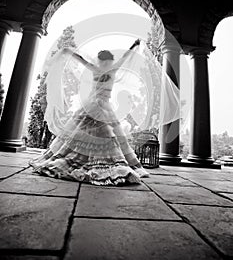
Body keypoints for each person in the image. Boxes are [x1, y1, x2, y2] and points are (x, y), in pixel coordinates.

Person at [29, 38, 150, 185]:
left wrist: (133, 46)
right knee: (101, 135)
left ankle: (92, 159)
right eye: (104, 61)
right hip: (96, 105)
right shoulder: (107, 69)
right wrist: (134, 46)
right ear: (106, 60)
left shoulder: (100, 68)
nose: (105, 64)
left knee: (103, 135)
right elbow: (85, 59)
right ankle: (86, 160)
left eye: (105, 61)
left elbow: (85, 59)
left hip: (99, 106)